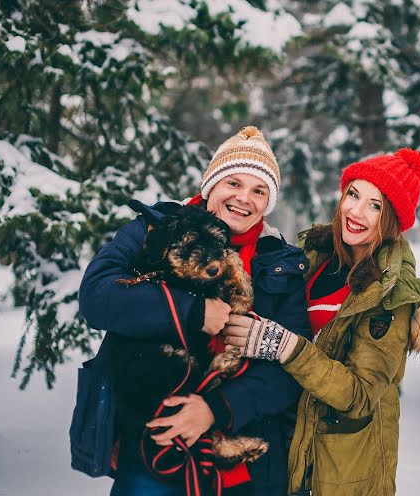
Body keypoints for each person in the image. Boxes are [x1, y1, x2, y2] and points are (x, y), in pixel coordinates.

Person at [79, 126, 310, 496]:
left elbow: (290, 373)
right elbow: (96, 297)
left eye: (259, 190)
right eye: (233, 183)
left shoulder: (282, 262)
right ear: (211, 185)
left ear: (268, 202)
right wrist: (193, 312)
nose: (244, 198)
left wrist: (214, 409)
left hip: (243, 448)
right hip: (154, 434)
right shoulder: (156, 228)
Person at [223, 148, 420, 495]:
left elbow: (359, 395)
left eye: (375, 205)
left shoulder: (391, 295)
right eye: (353, 194)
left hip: (338, 471)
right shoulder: (312, 255)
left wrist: (284, 346)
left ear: (391, 219)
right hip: (283, 446)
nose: (356, 211)